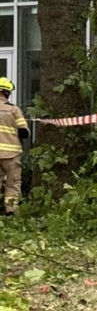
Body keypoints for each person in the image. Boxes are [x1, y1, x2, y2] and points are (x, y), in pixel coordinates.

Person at [0, 77, 29, 215]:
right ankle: (10, 210)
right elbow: (24, 132)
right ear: (6, 92)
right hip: (11, 154)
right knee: (13, 182)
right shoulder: (13, 110)